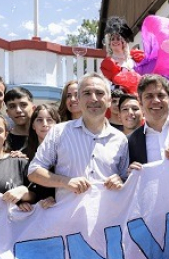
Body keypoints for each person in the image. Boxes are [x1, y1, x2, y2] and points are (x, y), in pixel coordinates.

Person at [28, 73, 129, 202]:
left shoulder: (120, 139)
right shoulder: (59, 132)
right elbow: (34, 172)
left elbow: (126, 180)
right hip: (68, 218)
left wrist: (121, 181)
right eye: (87, 93)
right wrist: (65, 182)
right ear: (79, 100)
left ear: (109, 100)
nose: (93, 99)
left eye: (99, 93)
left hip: (108, 219)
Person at [100, 16, 144, 95]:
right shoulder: (109, 63)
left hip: (137, 96)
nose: (115, 41)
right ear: (109, 43)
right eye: (112, 39)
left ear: (123, 42)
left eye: (118, 39)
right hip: (118, 97)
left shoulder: (135, 58)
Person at [4, 87, 35, 151]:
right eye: (12, 106)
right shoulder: (5, 141)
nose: (18, 110)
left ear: (33, 108)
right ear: (8, 113)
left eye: (23, 105)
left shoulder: (44, 136)